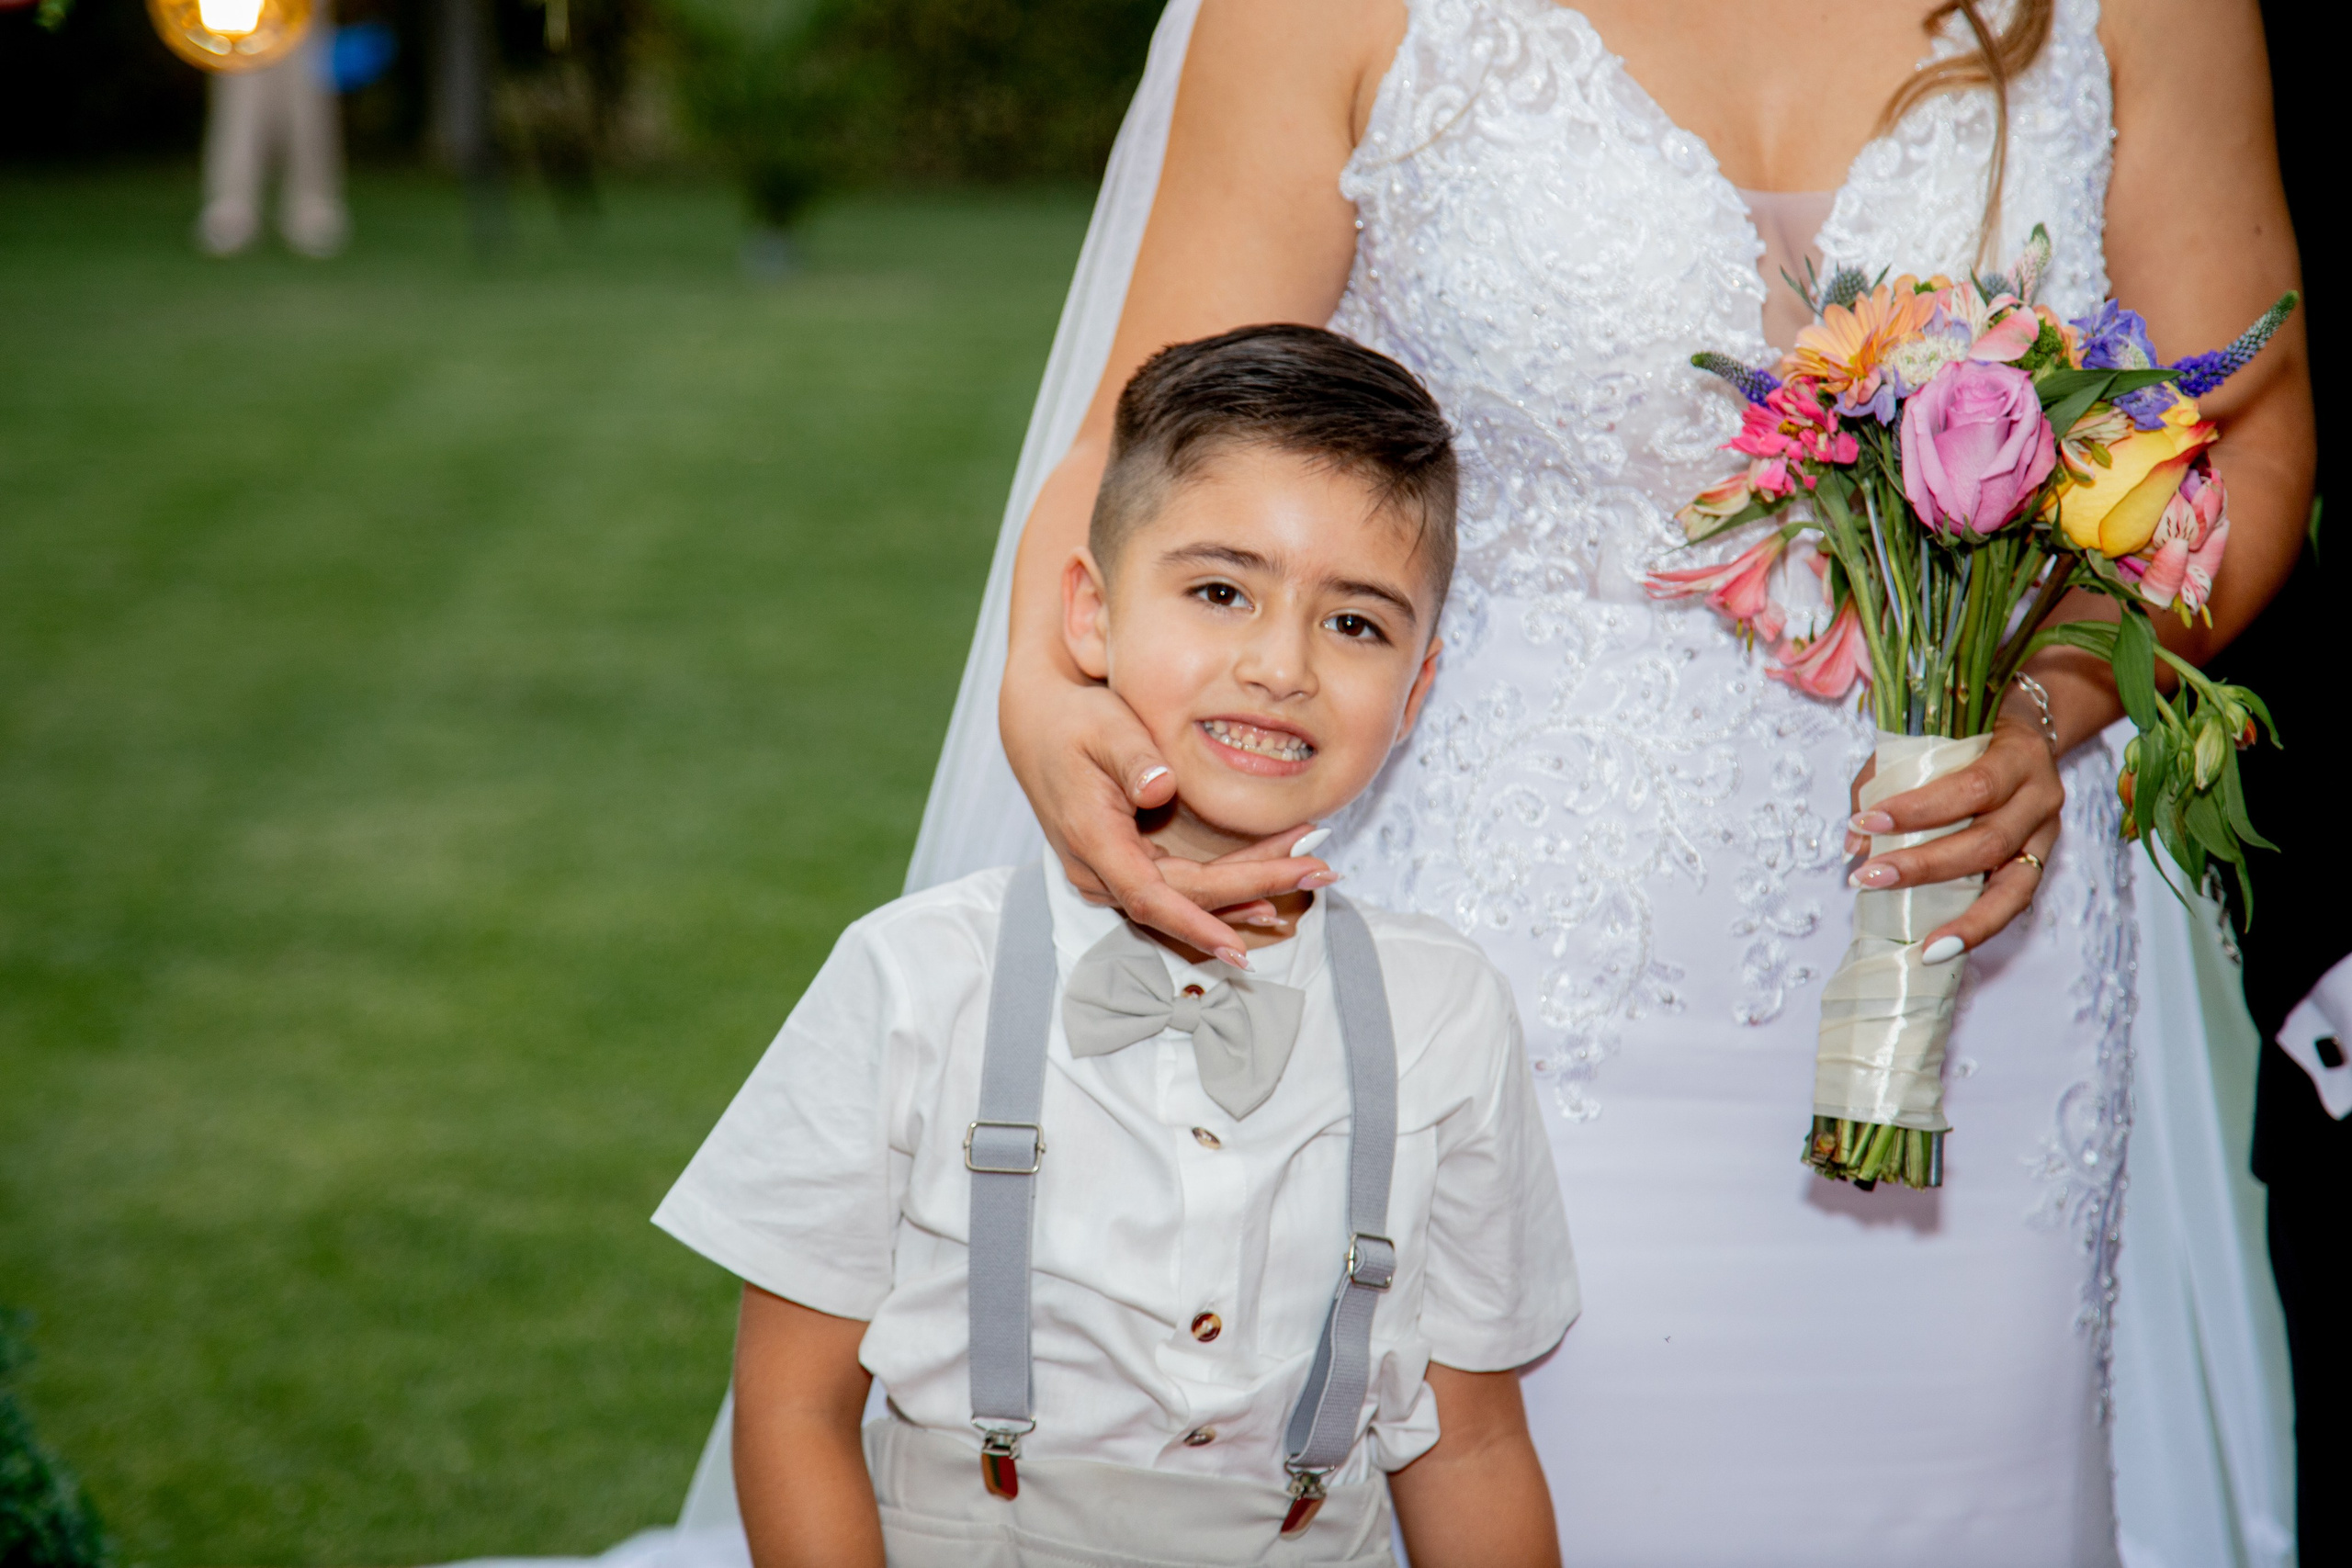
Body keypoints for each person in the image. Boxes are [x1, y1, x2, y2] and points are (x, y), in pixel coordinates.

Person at [865, 2, 2313, 1562]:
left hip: (1973, 974)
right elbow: (1140, 440)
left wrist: (2046, 701)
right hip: (1493, 960)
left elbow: (2246, 443)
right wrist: (1049, 688)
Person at [653, 326, 1580, 1568]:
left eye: (1356, 625)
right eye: (1218, 591)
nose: (1278, 665)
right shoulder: (915, 977)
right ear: (1089, 617)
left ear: (1416, 693)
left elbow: (1467, 1445)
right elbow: (792, 1406)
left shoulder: (1446, 1013)